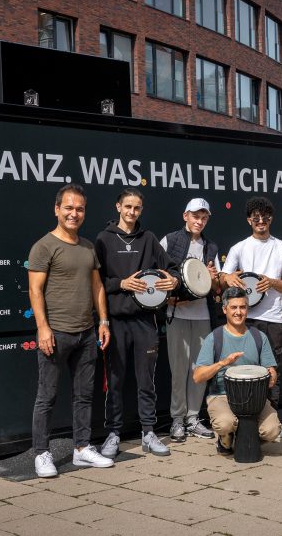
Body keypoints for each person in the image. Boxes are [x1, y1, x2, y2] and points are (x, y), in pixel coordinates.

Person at [28, 183, 114, 477]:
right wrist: (43, 328)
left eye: (79, 209)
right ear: (57, 209)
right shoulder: (44, 246)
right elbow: (35, 290)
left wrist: (103, 321)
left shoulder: (89, 247)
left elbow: (97, 286)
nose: (74, 213)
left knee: (84, 395)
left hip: (87, 333)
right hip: (56, 334)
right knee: (47, 397)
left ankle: (81, 449)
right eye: (68, 207)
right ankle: (41, 453)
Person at [94, 188, 180, 458]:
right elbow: (96, 282)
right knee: (116, 381)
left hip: (145, 321)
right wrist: (121, 283)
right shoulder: (103, 239)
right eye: (128, 206)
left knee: (146, 381)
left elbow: (173, 269)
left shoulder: (149, 239)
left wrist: (173, 280)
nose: (132, 212)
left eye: (137, 208)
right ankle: (114, 433)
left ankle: (148, 432)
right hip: (117, 321)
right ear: (118, 206)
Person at [220, 196, 282, 438]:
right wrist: (228, 278)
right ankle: (245, 420)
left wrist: (271, 282)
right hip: (245, 318)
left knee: (272, 369)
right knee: (243, 368)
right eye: (256, 217)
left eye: (265, 217)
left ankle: (272, 421)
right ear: (249, 220)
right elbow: (223, 277)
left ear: (271, 218)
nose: (261, 221)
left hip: (273, 318)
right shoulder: (239, 248)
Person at [192, 287, 281, 455]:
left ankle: (245, 437)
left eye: (242, 307)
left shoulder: (258, 336)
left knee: (272, 431)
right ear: (225, 310)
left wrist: (271, 376)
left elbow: (271, 371)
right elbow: (197, 376)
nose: (239, 312)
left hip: (255, 398)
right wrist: (223, 363)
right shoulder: (215, 338)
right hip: (222, 395)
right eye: (234, 307)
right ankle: (225, 440)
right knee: (225, 423)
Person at [159, 198, 219, 443]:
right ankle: (177, 419)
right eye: (196, 216)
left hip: (203, 315)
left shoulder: (211, 246)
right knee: (179, 369)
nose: (199, 221)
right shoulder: (170, 240)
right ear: (186, 216)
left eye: (204, 217)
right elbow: (158, 273)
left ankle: (193, 418)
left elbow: (214, 286)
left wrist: (214, 278)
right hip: (177, 315)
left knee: (199, 369)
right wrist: (169, 299)